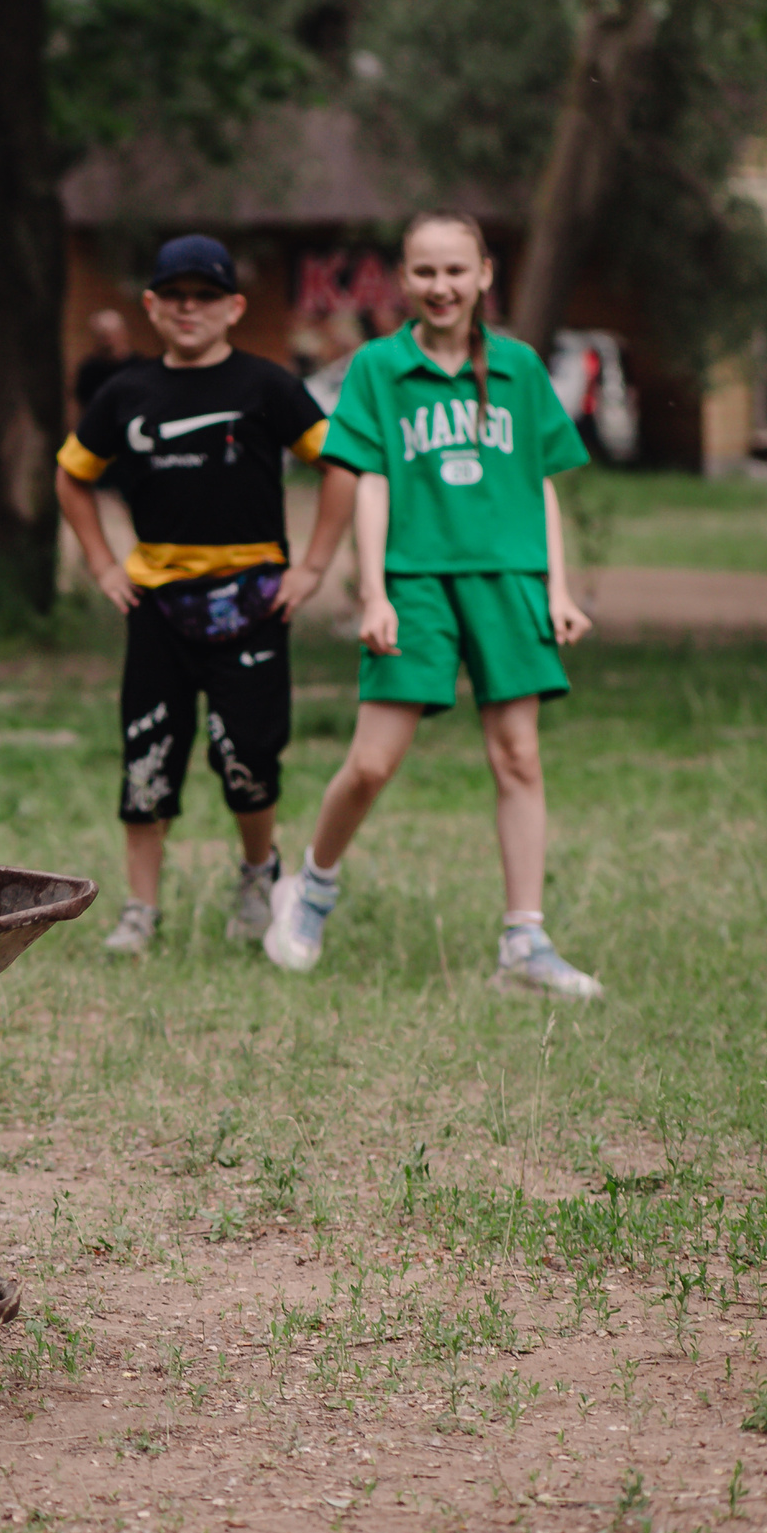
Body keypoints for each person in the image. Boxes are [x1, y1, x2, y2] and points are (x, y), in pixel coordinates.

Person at [260, 211, 602, 998]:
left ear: (485, 274)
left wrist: (558, 586)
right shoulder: (378, 368)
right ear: (403, 280)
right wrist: (374, 590)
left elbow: (539, 483)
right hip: (415, 580)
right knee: (374, 761)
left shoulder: (518, 367)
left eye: (456, 270)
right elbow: (369, 481)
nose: (440, 286)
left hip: (509, 576)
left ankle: (524, 941)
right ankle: (311, 887)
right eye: (424, 271)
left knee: (518, 755)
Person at [55, 235, 356, 956]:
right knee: (147, 753)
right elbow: (72, 475)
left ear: (234, 307)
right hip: (157, 606)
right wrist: (102, 564)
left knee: (248, 755)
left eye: (207, 297)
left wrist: (311, 568)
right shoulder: (124, 392)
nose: (190, 310)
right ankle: (140, 909)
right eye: (176, 297)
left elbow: (342, 464)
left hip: (254, 603)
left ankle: (258, 876)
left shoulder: (268, 385)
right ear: (152, 307)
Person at [72, 308, 137, 423]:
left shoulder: (139, 367)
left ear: (123, 333)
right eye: (102, 335)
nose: (107, 341)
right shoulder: (89, 370)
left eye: (110, 334)